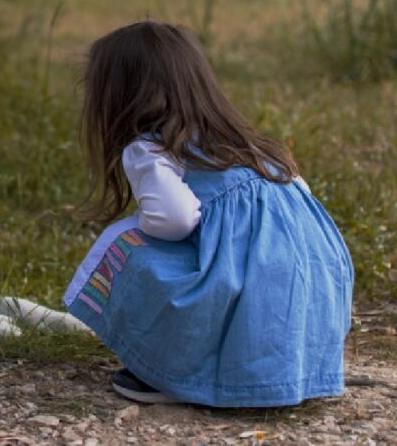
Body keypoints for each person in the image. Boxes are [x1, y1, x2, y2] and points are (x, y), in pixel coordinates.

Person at [64, 21, 353, 407]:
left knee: (125, 244)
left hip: (249, 290)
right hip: (313, 291)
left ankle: (173, 372)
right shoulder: (250, 145)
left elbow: (175, 219)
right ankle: (283, 369)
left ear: (119, 97)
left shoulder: (151, 149)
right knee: (247, 267)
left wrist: (143, 226)